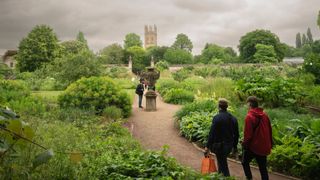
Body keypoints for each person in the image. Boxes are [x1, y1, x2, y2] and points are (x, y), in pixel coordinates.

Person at [205, 98, 239, 176]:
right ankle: (220, 176)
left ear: (219, 106)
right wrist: (235, 147)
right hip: (229, 146)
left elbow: (212, 133)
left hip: (220, 146)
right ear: (227, 107)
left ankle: (226, 177)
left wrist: (207, 146)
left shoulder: (217, 118)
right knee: (221, 162)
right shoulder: (233, 118)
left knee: (223, 165)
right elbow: (236, 134)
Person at [242, 96, 273, 180]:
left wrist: (244, 144)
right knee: (263, 169)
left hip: (253, 147)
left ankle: (249, 178)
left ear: (250, 104)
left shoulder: (249, 116)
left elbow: (248, 135)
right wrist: (270, 143)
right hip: (264, 146)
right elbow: (270, 130)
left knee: (244, 162)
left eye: (247, 104)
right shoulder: (265, 115)